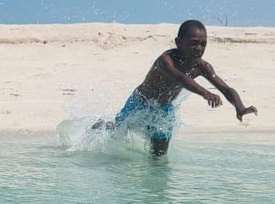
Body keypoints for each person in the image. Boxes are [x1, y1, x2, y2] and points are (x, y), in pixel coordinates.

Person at [94, 19, 257, 156]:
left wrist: (240, 107)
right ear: (179, 43)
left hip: (164, 111)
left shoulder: (202, 67)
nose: (199, 49)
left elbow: (226, 89)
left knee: (159, 157)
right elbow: (180, 78)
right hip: (140, 102)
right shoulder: (166, 61)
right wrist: (205, 93)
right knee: (117, 133)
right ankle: (103, 125)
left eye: (203, 44)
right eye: (193, 44)